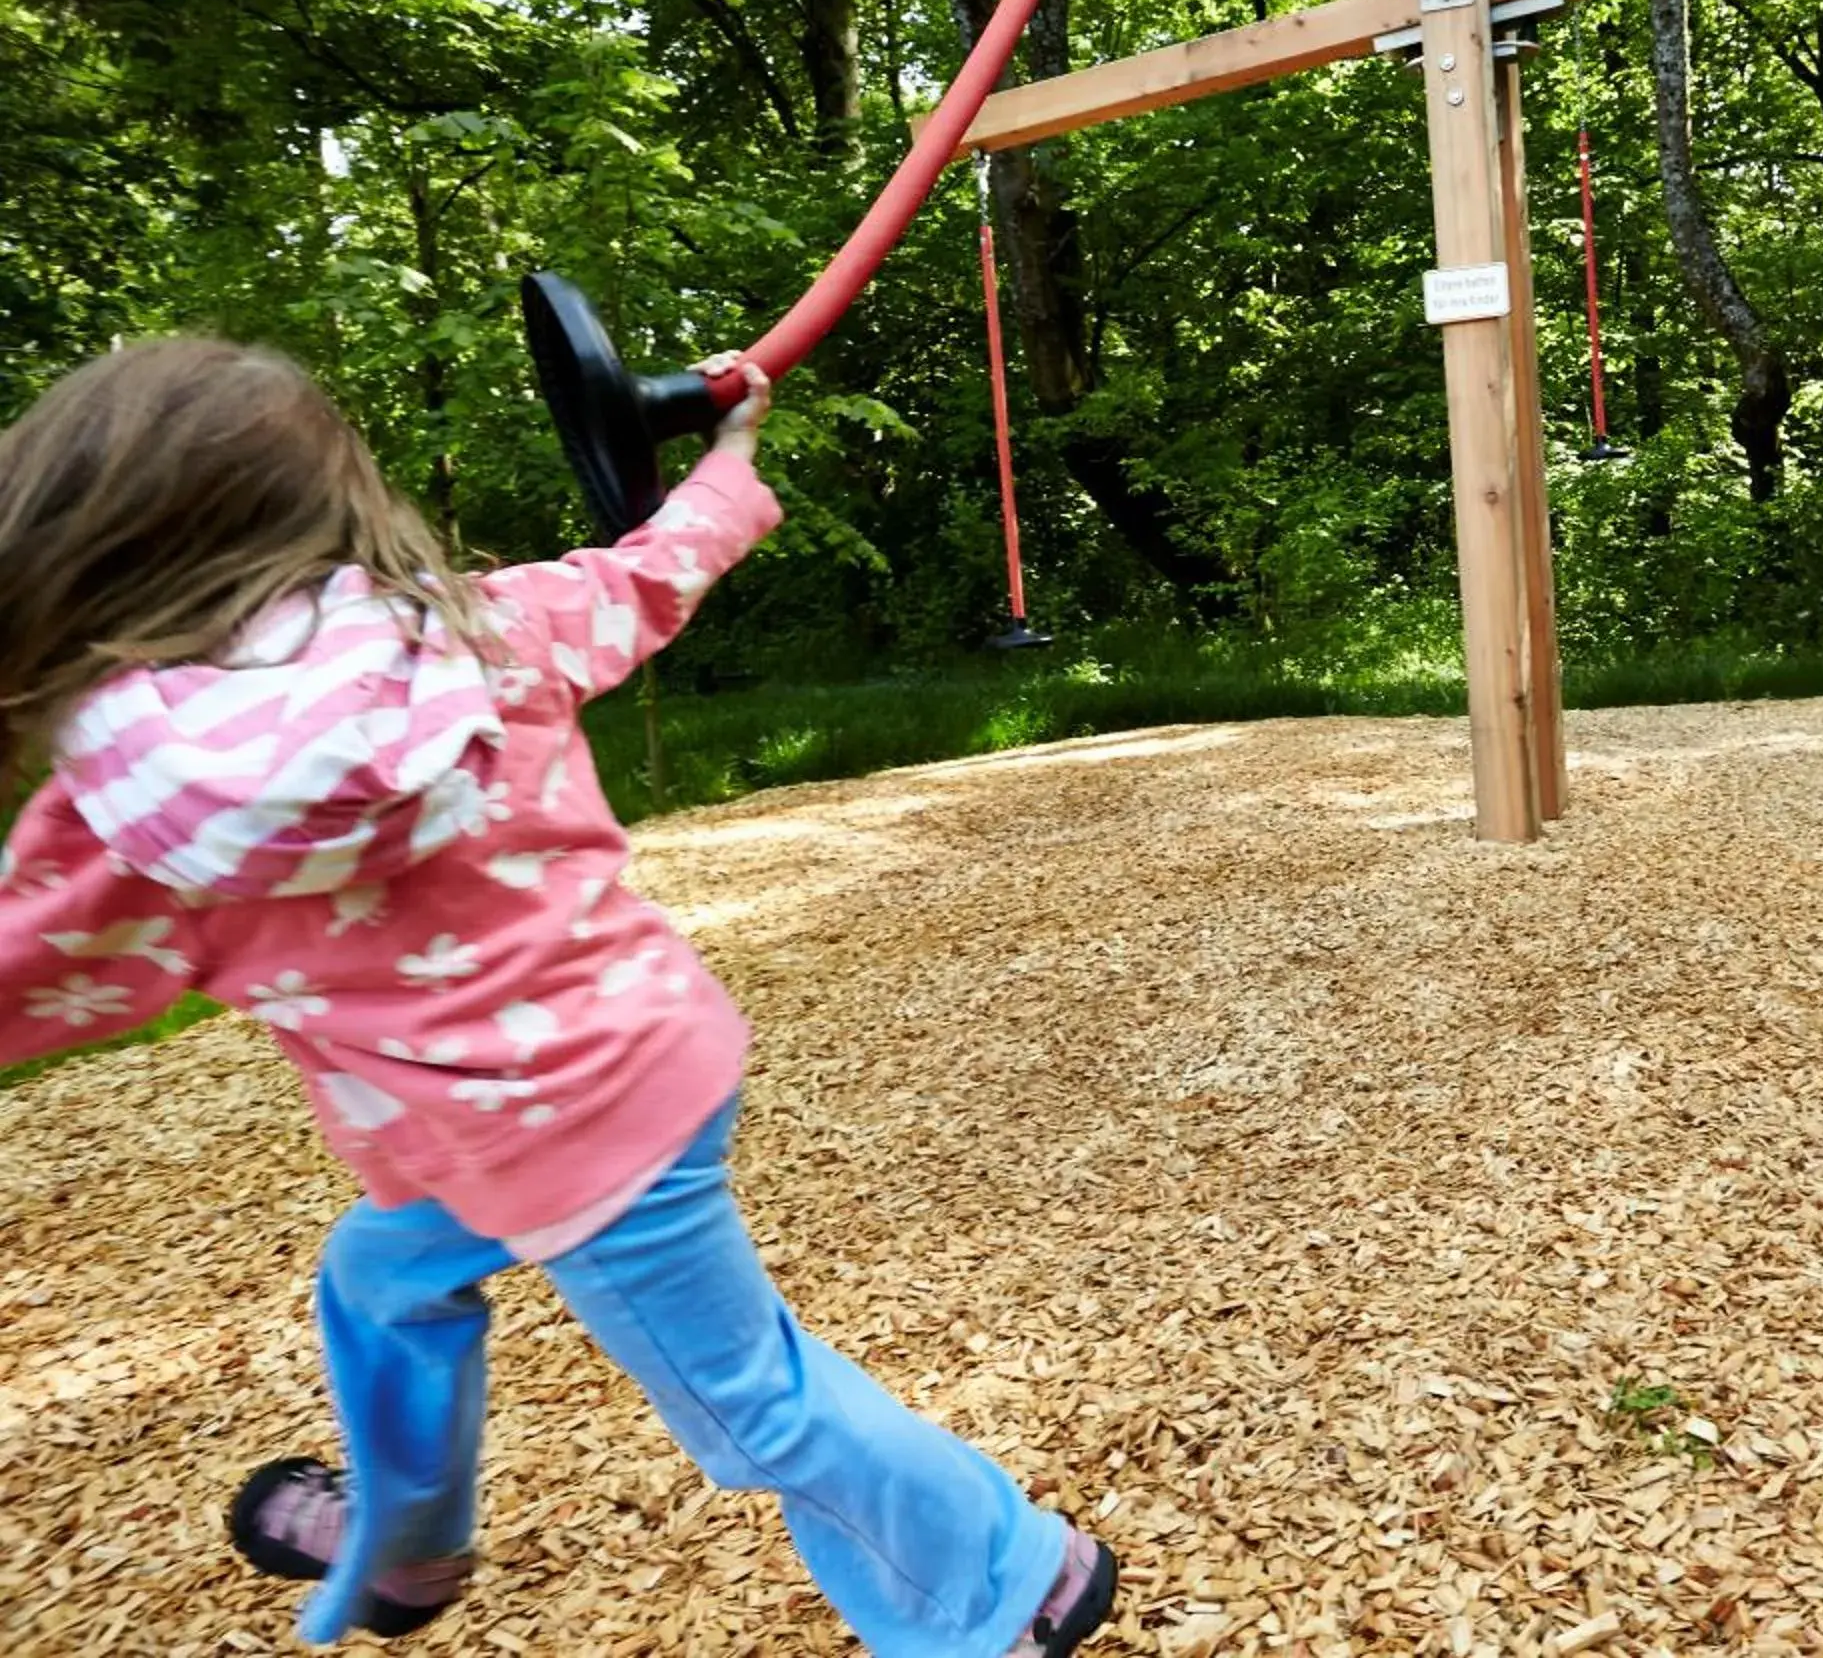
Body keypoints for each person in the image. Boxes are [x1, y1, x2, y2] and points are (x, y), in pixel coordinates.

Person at [0, 339, 1113, 1658]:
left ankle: (1009, 1584)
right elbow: (646, 574)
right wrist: (730, 457)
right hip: (646, 1064)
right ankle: (408, 1550)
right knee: (380, 1277)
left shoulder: (139, 808)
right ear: (331, 507)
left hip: (567, 1153)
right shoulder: (472, 632)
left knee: (753, 1404)